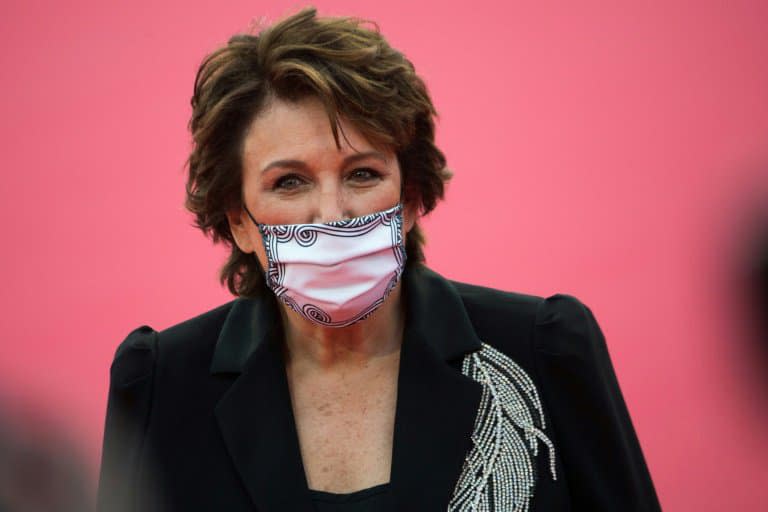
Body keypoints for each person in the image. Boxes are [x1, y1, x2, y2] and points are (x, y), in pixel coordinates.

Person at [97, 7, 662, 512]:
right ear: (240, 220)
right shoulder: (162, 384)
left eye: (362, 174)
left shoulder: (543, 352)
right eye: (289, 182)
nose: (333, 214)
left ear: (411, 196)